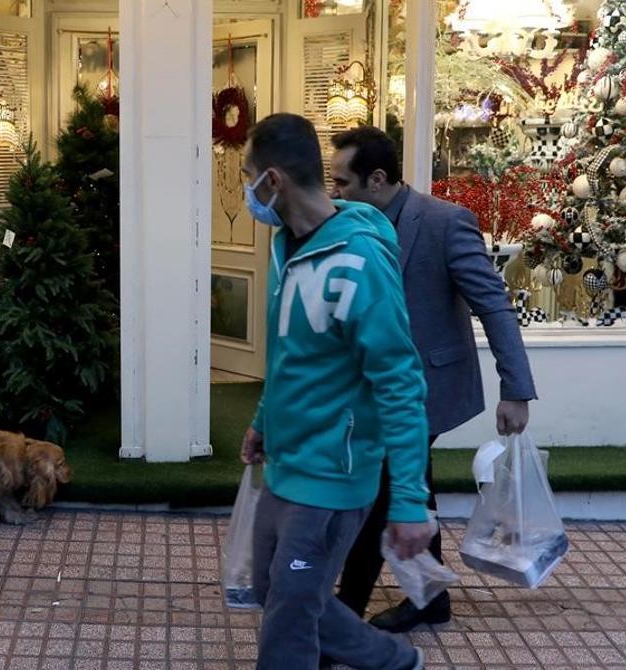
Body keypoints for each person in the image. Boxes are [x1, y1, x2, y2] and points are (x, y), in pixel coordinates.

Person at [239, 113, 431, 670]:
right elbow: (292, 355)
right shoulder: (287, 247)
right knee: (282, 592)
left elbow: (399, 382)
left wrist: (411, 502)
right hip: (286, 461)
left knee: (290, 615)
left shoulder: (359, 260)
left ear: (273, 181)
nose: (246, 190)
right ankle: (395, 661)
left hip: (334, 472)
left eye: (248, 176)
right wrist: (262, 419)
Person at [330, 126, 537, 631]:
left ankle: (340, 620)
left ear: (376, 179)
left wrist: (516, 389)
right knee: (412, 488)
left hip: (426, 388)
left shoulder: (445, 223)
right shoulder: (349, 225)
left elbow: (493, 303)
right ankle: (432, 599)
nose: (333, 193)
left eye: (341, 182)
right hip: (372, 388)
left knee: (382, 495)